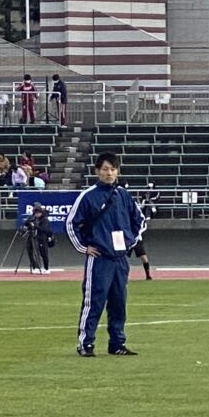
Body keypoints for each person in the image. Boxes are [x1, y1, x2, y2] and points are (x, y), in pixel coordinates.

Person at [67, 152, 145, 357]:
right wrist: (84, 248)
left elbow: (139, 220)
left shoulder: (124, 195)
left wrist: (129, 242)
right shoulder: (88, 196)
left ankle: (117, 343)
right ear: (97, 172)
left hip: (120, 259)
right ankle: (86, 343)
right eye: (105, 169)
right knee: (94, 301)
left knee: (119, 303)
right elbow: (71, 223)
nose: (109, 173)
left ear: (117, 171)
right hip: (99, 258)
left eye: (112, 169)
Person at [24, 200, 53, 274]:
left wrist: (35, 226)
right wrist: (29, 223)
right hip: (34, 237)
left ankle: (46, 268)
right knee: (32, 251)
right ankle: (35, 266)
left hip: (42, 238)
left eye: (38, 213)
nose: (36, 214)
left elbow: (44, 229)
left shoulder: (45, 220)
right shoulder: (33, 218)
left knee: (43, 253)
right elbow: (27, 223)